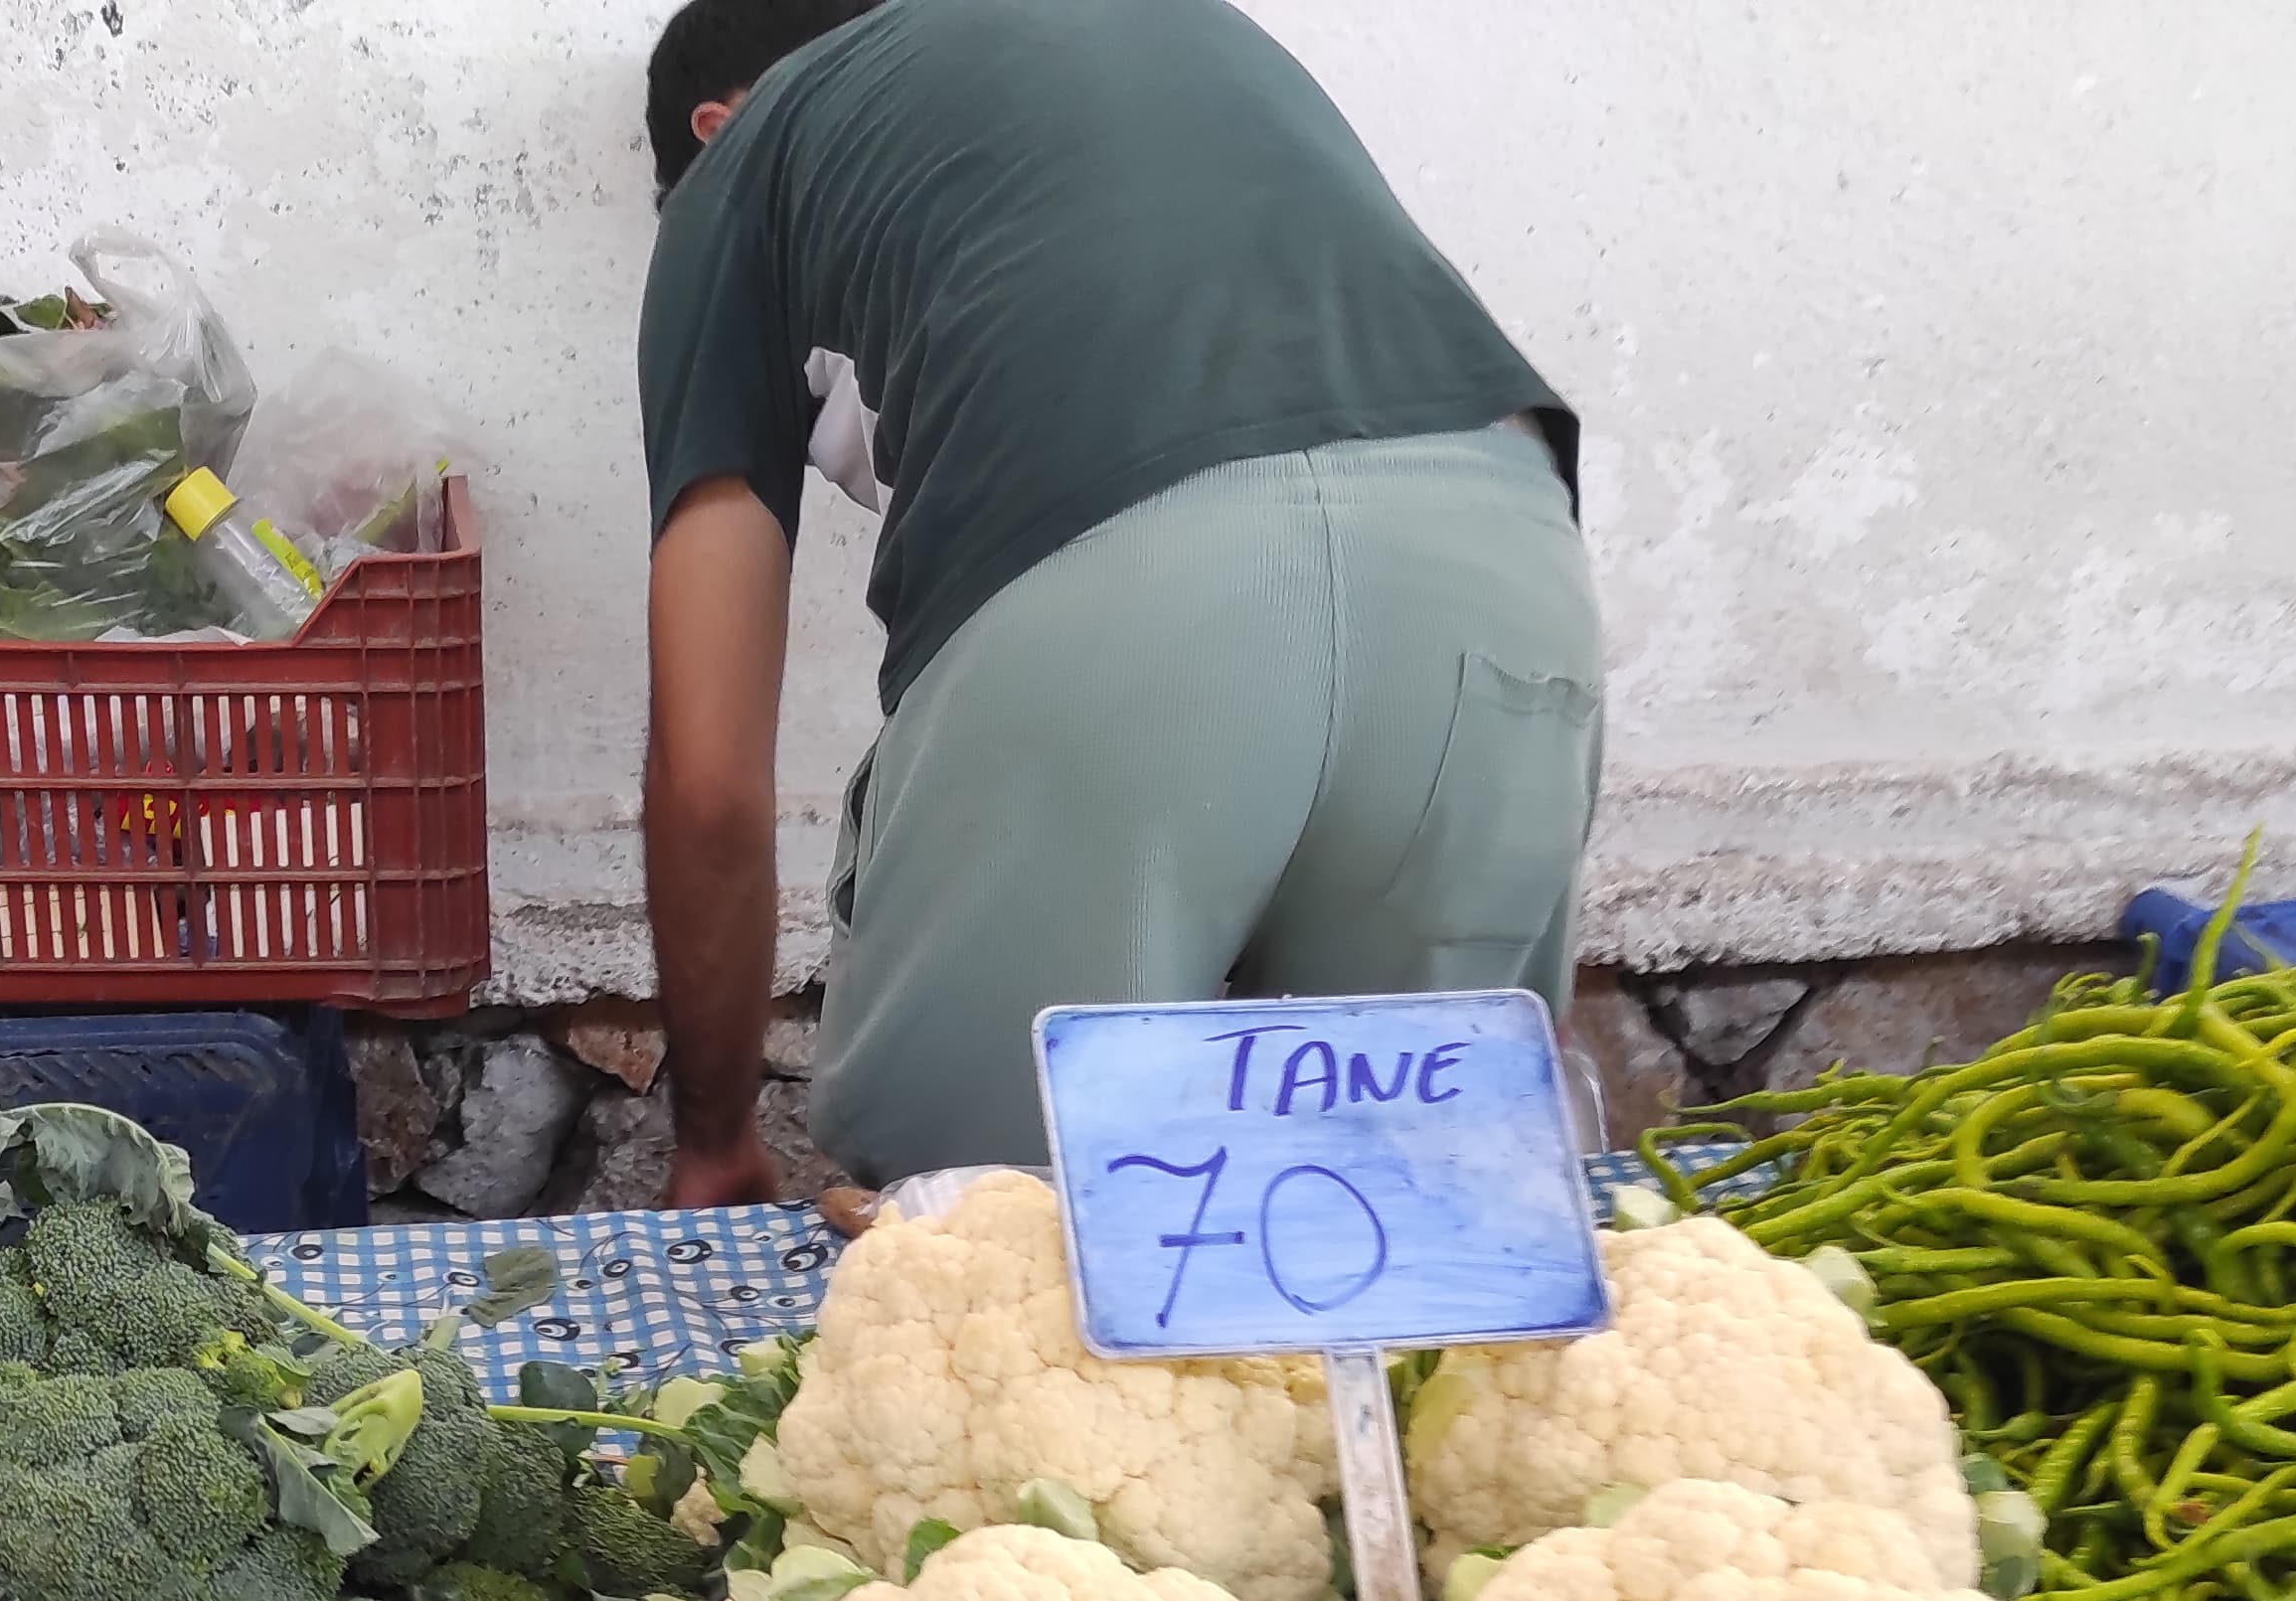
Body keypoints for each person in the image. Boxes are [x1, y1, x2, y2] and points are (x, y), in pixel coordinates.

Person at [636, 0, 1603, 1206]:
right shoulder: (1175, 33)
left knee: (1004, 1242)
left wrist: (715, 1135)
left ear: (711, 127)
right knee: (1420, 1231)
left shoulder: (747, 163)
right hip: (1507, 568)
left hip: (1138, 603)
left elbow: (710, 774)